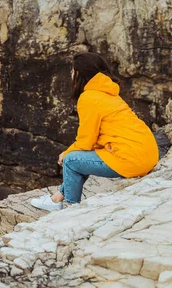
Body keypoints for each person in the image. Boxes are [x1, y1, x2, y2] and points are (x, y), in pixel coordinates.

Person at [30, 52, 158, 211]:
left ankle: (71, 209)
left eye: (72, 70)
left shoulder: (88, 98)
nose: (71, 74)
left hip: (130, 159)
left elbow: (86, 141)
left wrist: (66, 153)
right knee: (79, 160)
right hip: (147, 154)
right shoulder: (109, 93)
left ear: (79, 74)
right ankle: (56, 200)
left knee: (71, 160)